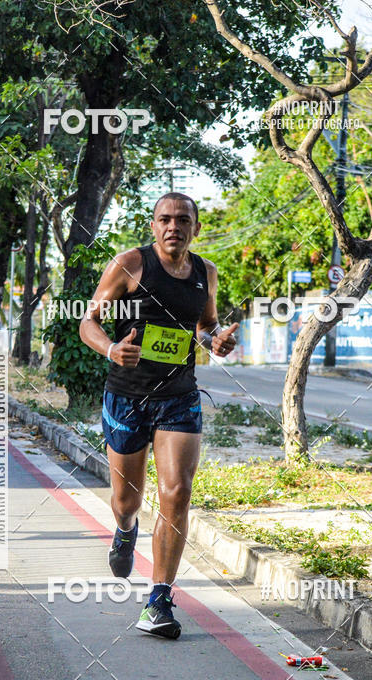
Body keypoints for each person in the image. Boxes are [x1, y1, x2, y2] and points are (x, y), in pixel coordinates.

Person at [80, 193, 237, 639]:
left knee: (177, 490)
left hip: (179, 397)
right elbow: (88, 320)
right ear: (153, 226)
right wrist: (111, 348)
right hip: (127, 397)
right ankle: (125, 528)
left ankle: (159, 598)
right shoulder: (130, 264)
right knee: (127, 500)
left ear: (196, 228)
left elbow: (204, 327)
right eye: (165, 219)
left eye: (183, 220)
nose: (174, 227)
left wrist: (215, 341)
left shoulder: (206, 272)